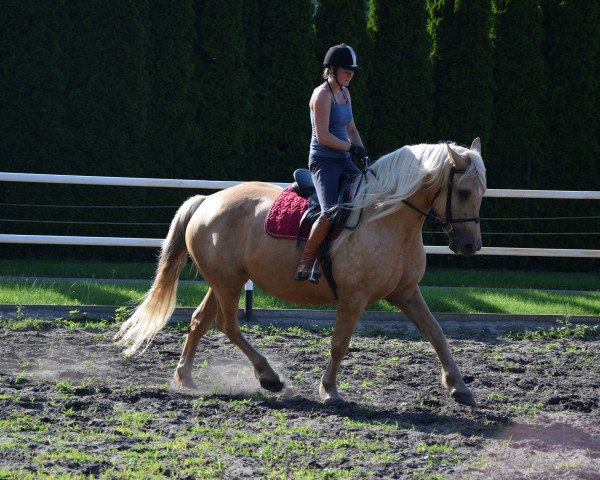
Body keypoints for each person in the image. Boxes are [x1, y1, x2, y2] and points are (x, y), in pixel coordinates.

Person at [294, 43, 368, 283]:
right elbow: (323, 135)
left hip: (344, 158)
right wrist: (350, 147)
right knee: (330, 211)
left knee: (368, 194)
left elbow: (351, 129)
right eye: (347, 71)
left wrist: (363, 152)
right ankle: (306, 262)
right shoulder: (322, 95)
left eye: (352, 71)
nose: (351, 75)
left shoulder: (345, 93)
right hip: (323, 161)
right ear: (333, 69)